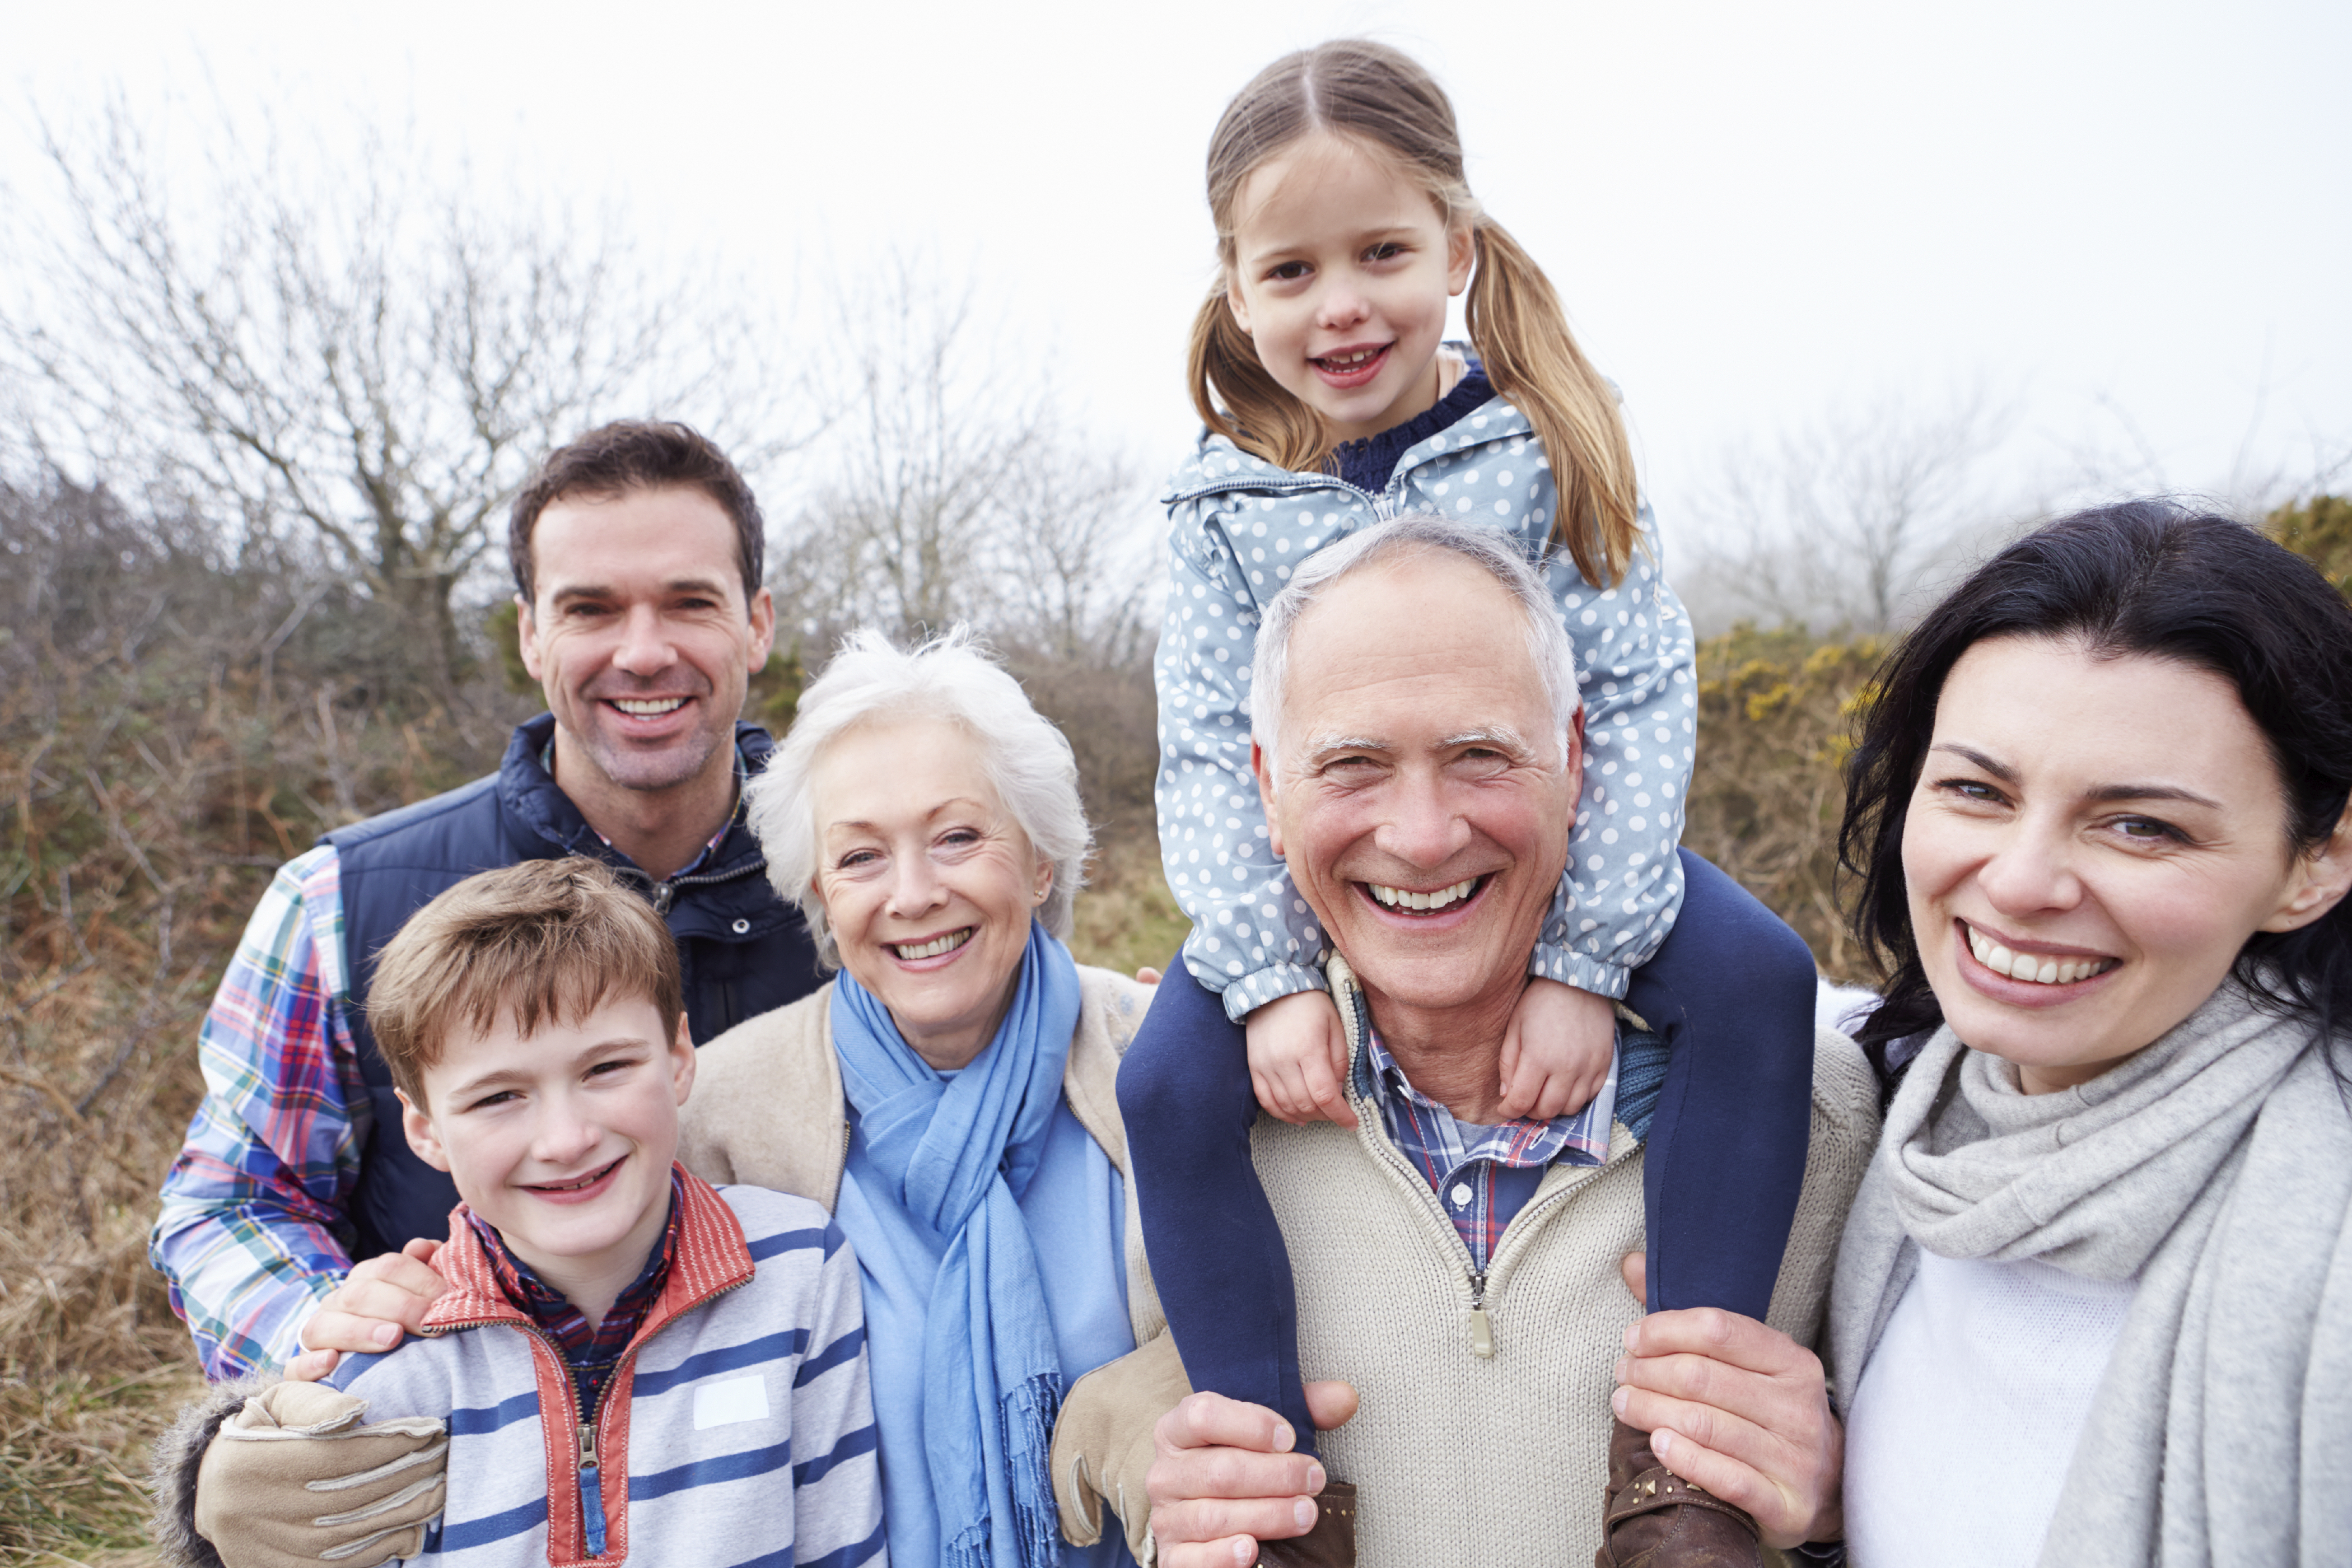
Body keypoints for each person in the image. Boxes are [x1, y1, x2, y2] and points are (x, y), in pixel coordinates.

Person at [1114, 38, 1821, 1560]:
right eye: (1290, 270)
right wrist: (1264, 977)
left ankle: (1684, 1458)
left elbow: (1633, 693)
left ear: (1459, 248)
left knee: (1760, 978)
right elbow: (1208, 753)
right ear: (1235, 289)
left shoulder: (1544, 439)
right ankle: (1276, 1489)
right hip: (1300, 903)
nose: (1342, 305)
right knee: (1168, 1089)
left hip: (1586, 857)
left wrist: (1586, 958)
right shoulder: (1223, 506)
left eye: (1382, 253)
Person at [179, 629, 1164, 1568]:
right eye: (860, 855)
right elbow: (556, 1334)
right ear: (818, 890)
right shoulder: (721, 1106)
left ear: (1042, 859)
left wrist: (1191, 1382)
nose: (911, 893)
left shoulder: (1161, 1066)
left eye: (958, 836)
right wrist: (288, 1402)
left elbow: (1303, 1312)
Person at [1060, 516, 1876, 1566]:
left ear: (1577, 759)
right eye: (1352, 764)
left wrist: (1840, 1508)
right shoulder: (1186, 1136)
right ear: (1264, 789)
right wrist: (1156, 1480)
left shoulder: (1835, 1126)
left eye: (1480, 756)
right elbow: (1089, 1412)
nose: (1423, 834)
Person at [151, 420, 823, 1382]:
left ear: (756, 623)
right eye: (591, 608)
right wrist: (334, 1336)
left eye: (688, 602)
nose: (643, 653)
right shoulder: (339, 903)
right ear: (530, 633)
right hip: (475, 1497)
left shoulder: (871, 883)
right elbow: (229, 1202)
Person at [1828, 501, 2352, 1566]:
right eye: (1978, 789)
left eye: (2141, 825)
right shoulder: (1885, 1113)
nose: (2020, 884)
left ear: (2316, 864)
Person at [154, 860, 883, 1568]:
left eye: (606, 1069)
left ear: (679, 1055)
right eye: (499, 1097)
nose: (566, 1139)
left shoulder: (798, 1267)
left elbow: (843, 1540)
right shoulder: (386, 1373)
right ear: (425, 1129)